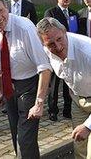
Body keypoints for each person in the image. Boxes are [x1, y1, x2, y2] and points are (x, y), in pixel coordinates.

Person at [0, 0, 52, 158]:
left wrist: (40, 102)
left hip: (29, 85)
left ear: (6, 7)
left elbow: (44, 67)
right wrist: (0, 91)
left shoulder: (25, 27)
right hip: (8, 87)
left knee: (25, 138)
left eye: (1, 11)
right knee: (16, 133)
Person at [37, 17, 91, 159]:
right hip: (78, 101)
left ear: (64, 31)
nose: (58, 47)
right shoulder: (46, 50)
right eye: (51, 44)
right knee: (80, 149)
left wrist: (88, 126)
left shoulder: (87, 52)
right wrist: (39, 101)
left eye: (60, 39)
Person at [44, 0, 79, 121]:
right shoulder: (51, 12)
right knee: (54, 83)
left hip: (70, 53)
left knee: (68, 83)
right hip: (56, 53)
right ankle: (52, 110)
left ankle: (67, 109)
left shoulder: (74, 14)